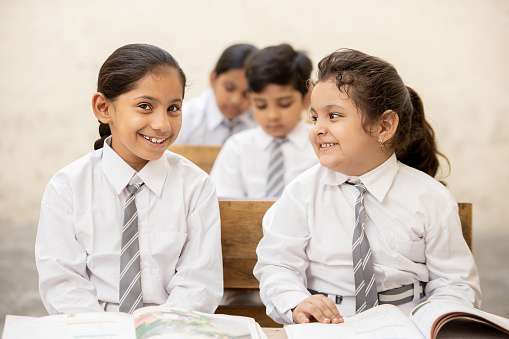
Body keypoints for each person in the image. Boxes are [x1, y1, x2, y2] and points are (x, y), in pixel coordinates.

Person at [253, 48, 481, 325]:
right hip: (325, 326)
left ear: (384, 126)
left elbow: (455, 284)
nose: (318, 129)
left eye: (333, 116)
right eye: (315, 118)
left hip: (407, 323)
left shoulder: (430, 198)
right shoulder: (302, 192)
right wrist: (296, 301)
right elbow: (277, 264)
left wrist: (429, 321)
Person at [35, 44, 223, 315]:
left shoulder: (196, 186)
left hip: (172, 326)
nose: (162, 124)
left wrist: (161, 328)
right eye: (145, 106)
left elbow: (199, 283)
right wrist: (102, 331)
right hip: (92, 328)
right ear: (103, 108)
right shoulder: (67, 188)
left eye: (173, 108)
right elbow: (63, 283)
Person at [210, 43, 319, 199]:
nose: (272, 115)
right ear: (250, 100)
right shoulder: (237, 148)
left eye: (284, 104)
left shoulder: (320, 145)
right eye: (260, 105)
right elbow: (224, 204)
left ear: (306, 99)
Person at [174, 43, 259, 145]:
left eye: (247, 94)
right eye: (229, 88)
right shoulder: (186, 118)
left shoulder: (261, 123)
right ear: (213, 79)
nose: (235, 100)